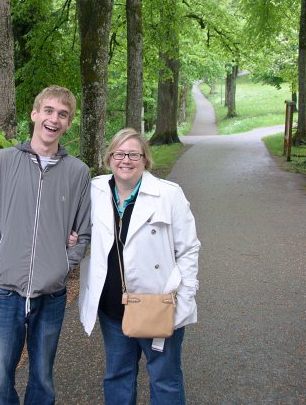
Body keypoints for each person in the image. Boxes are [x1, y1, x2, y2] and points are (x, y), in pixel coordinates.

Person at [0, 85, 92, 405]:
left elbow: (83, 232)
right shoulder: (1, 162)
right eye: (49, 111)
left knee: (42, 380)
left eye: (63, 115)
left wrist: (63, 264)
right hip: (5, 292)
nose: (54, 119)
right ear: (35, 114)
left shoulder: (78, 172)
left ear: (69, 124)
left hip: (51, 296)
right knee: (0, 382)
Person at [79, 128, 200, 405]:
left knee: (165, 380)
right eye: (119, 153)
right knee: (117, 376)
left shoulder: (168, 195)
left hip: (157, 305)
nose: (126, 160)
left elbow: (189, 249)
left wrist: (185, 298)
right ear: (109, 158)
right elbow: (78, 228)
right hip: (112, 309)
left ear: (145, 159)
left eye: (134, 154)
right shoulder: (96, 190)